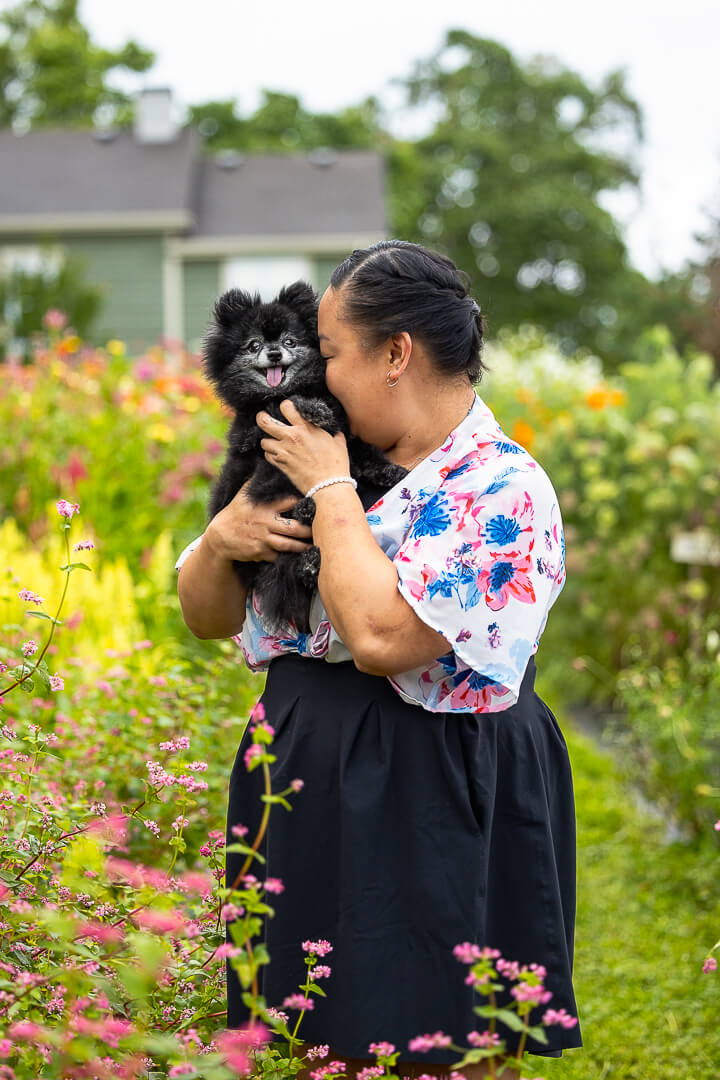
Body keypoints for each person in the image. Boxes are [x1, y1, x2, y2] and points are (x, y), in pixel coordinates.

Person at [175, 240, 583, 1079]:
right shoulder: (307, 446)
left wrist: (332, 491)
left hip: (444, 776)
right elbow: (207, 616)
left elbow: (382, 638)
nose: (310, 369)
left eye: (327, 351)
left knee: (448, 1045)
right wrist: (219, 543)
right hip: (311, 766)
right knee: (322, 1037)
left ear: (395, 354)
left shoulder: (499, 487)